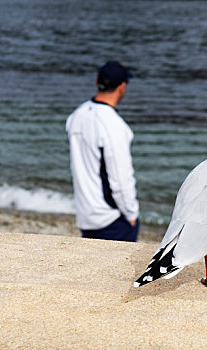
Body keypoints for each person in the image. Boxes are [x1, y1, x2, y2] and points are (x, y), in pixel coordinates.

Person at [66, 61, 139, 241]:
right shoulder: (114, 125)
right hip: (111, 218)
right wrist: (131, 214)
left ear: (97, 81)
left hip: (85, 215)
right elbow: (121, 178)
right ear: (122, 87)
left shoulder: (76, 116)